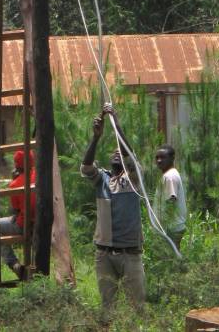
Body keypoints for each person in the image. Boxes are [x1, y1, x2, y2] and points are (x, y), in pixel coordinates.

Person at [81, 105, 145, 310]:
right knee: (108, 307)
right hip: (105, 254)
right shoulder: (102, 179)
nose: (117, 153)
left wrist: (116, 125)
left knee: (137, 307)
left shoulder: (134, 179)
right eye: (113, 152)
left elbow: (130, 157)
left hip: (130, 254)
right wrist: (96, 137)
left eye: (120, 152)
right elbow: (86, 167)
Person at [0, 149, 36, 280]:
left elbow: (16, 210)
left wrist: (14, 180)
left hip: (24, 225)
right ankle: (34, 269)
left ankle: (13, 264)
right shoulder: (41, 175)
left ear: (16, 165)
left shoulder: (15, 184)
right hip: (42, 223)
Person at [154, 144, 187, 247]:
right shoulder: (171, 174)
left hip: (170, 229)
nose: (159, 160)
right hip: (173, 228)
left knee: (169, 259)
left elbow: (171, 200)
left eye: (163, 157)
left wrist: (163, 228)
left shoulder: (169, 177)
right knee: (172, 258)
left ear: (172, 158)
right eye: (157, 158)